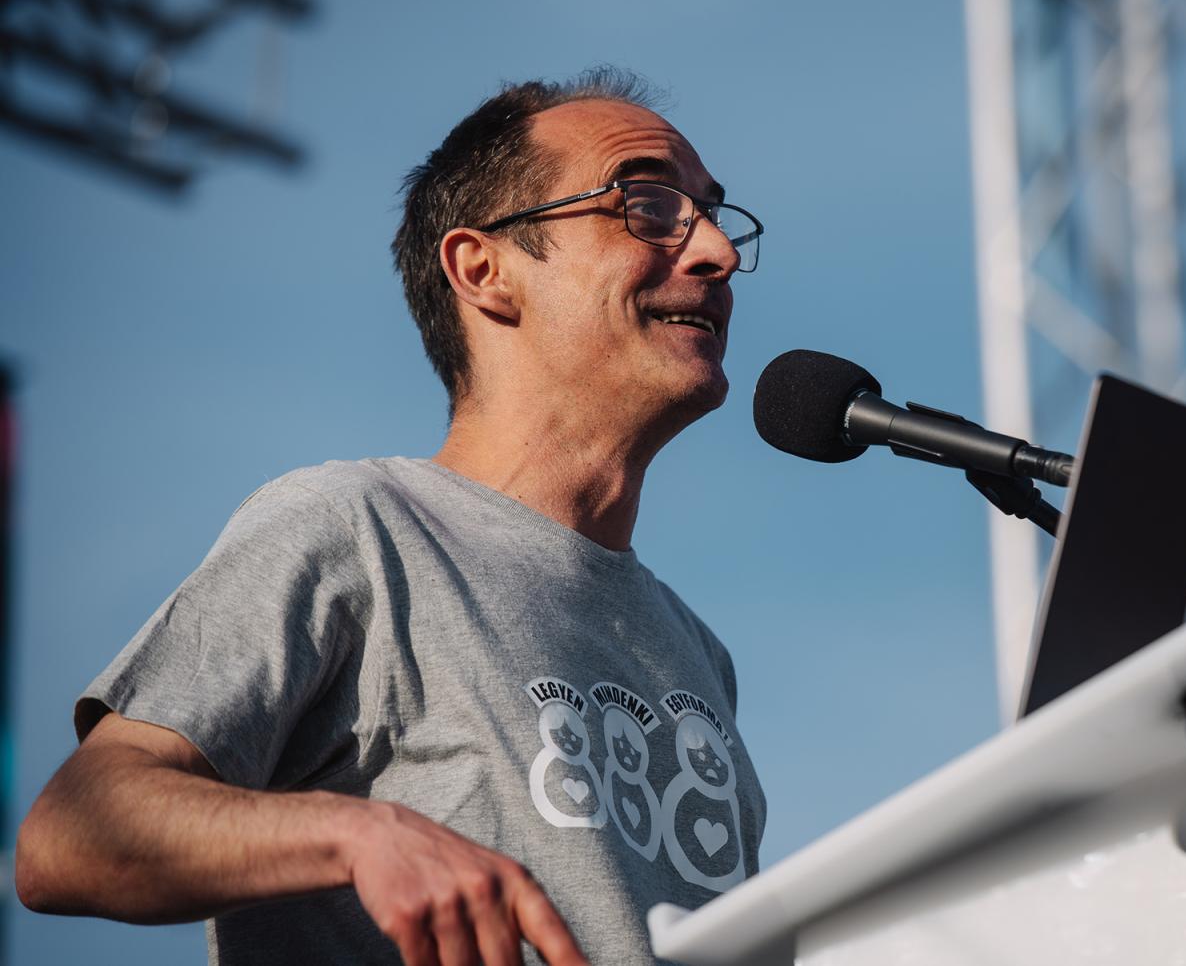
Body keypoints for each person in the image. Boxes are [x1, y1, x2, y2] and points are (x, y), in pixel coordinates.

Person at [14, 69, 767, 966]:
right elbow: (68, 838)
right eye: (647, 206)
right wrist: (358, 836)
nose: (716, 251)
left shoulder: (698, 653)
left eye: (712, 214)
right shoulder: (353, 530)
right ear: (484, 270)